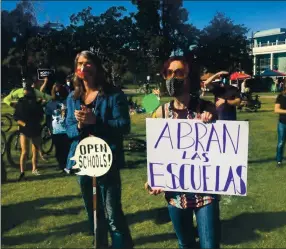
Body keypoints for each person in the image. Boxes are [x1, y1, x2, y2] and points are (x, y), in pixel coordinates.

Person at [145, 56, 220, 249]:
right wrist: (154, 177)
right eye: (168, 73)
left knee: (209, 245)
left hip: (205, 193)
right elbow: (157, 151)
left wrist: (212, 121)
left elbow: (222, 147)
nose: (173, 78)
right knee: (185, 244)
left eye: (178, 73)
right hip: (175, 195)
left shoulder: (206, 108)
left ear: (188, 77)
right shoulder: (160, 113)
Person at [65, 50, 133, 248]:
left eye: (88, 63)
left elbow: (123, 125)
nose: (83, 67)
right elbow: (68, 130)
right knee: (94, 215)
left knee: (113, 214)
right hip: (83, 161)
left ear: (96, 66)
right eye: (80, 63)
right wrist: (78, 126)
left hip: (107, 160)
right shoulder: (73, 97)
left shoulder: (113, 94)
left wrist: (97, 121)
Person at [13, 85, 44, 180]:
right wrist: (23, 124)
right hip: (25, 128)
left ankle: (34, 168)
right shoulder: (21, 102)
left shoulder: (36, 102)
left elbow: (41, 116)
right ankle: (22, 171)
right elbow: (16, 117)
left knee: (35, 149)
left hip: (34, 127)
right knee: (25, 151)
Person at [45, 84, 70, 172]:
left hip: (67, 129)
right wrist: (49, 128)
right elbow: (48, 118)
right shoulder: (50, 104)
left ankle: (68, 166)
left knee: (67, 148)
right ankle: (61, 165)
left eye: (60, 91)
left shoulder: (68, 101)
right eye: (56, 92)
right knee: (58, 149)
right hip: (56, 129)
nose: (58, 93)